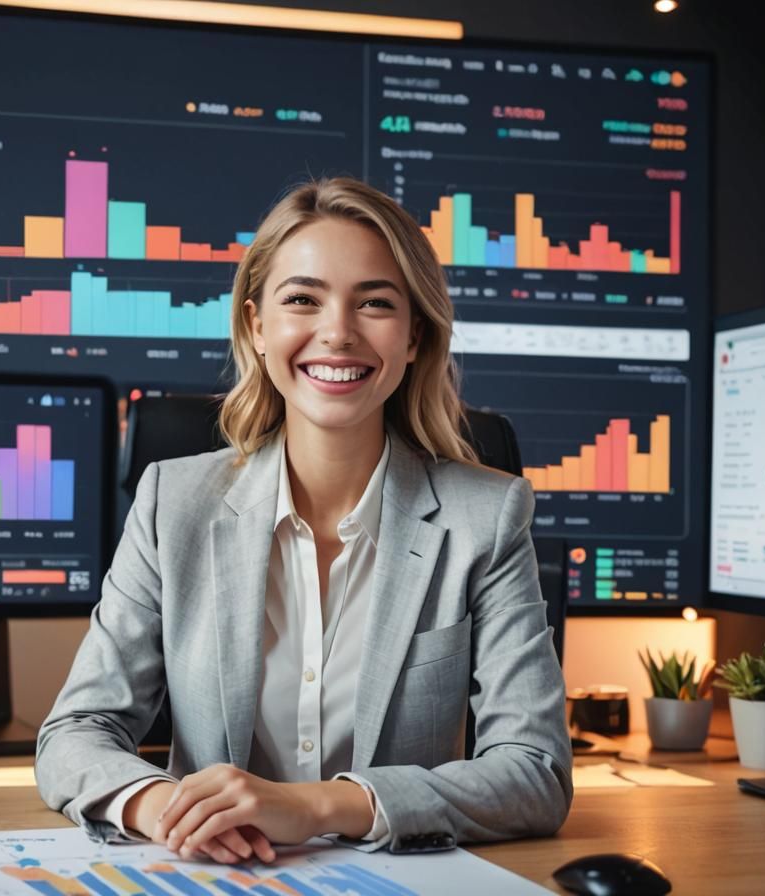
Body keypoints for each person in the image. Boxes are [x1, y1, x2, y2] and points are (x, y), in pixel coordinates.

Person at [36, 177, 572, 862]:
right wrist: (174, 807)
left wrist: (319, 805)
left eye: (375, 303)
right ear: (258, 327)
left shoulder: (487, 517)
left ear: (414, 336)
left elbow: (535, 772)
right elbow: (76, 731)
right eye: (303, 300)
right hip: (214, 873)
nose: (338, 332)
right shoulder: (173, 502)